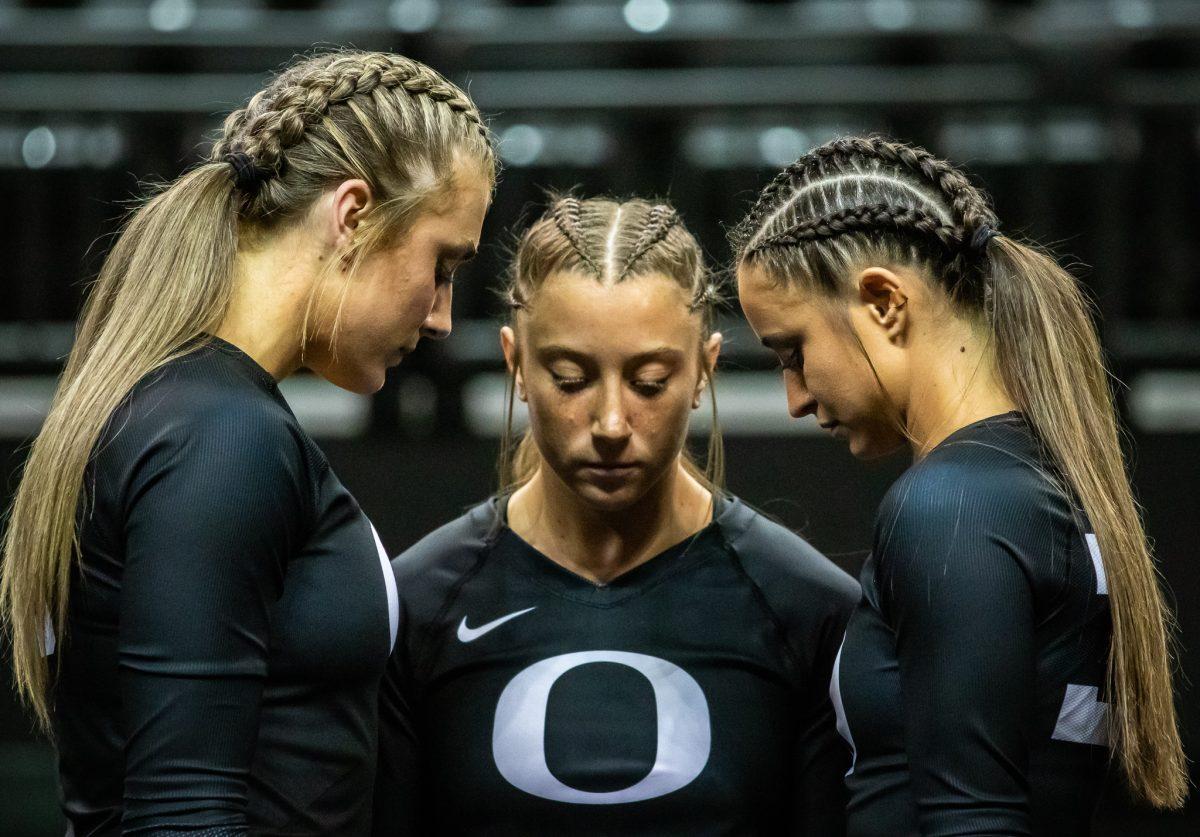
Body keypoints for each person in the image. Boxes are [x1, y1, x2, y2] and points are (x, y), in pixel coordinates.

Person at [0, 50, 494, 836]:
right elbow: (182, 816)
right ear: (353, 213)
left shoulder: (191, 411)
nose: (440, 315)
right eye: (443, 264)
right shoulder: (221, 438)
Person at [731, 135, 1188, 835]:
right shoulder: (1028, 483)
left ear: (884, 301)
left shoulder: (952, 508)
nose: (794, 397)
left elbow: (974, 824)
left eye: (794, 351)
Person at [372, 196, 860, 836]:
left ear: (704, 371)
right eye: (571, 378)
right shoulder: (418, 608)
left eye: (650, 382)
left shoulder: (806, 610)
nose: (610, 424)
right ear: (516, 365)